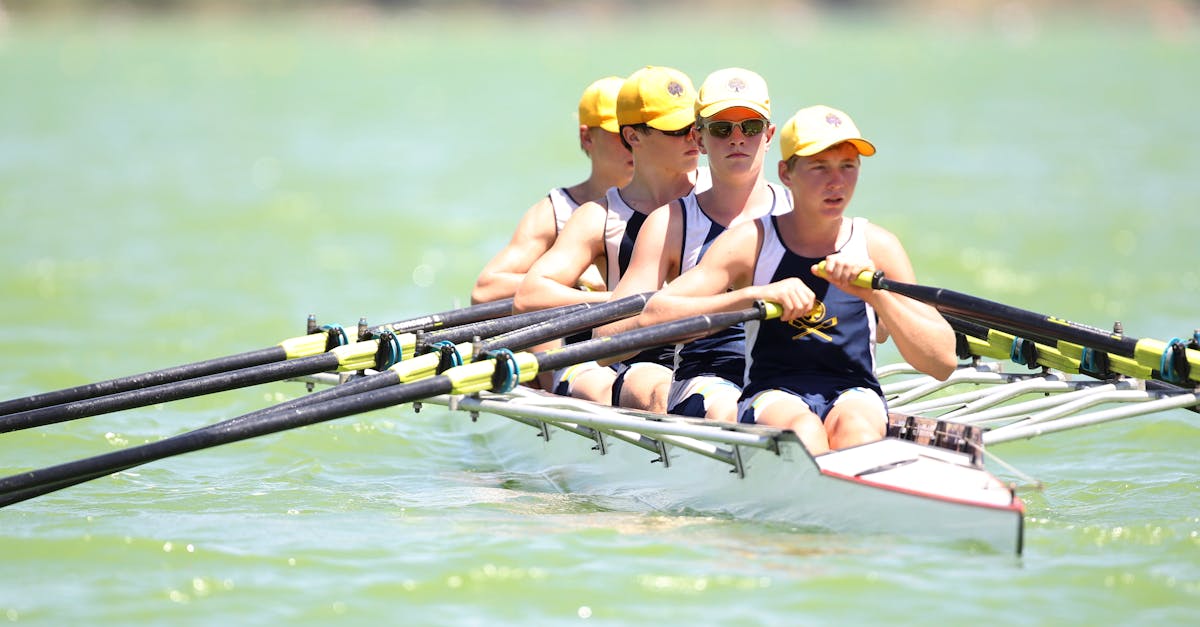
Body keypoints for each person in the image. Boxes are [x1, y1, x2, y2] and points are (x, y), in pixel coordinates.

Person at [639, 105, 957, 454]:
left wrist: (877, 297)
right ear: (786, 174)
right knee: (802, 433)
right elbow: (654, 314)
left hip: (855, 393)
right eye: (819, 168)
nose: (836, 181)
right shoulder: (752, 241)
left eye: (847, 167)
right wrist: (755, 296)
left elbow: (942, 362)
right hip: (773, 393)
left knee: (857, 429)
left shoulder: (877, 246)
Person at [595, 68, 790, 423]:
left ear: (769, 135)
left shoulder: (799, 211)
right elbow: (606, 341)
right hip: (709, 379)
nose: (737, 139)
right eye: (720, 129)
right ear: (699, 139)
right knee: (731, 409)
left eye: (750, 127)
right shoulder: (671, 223)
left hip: (790, 375)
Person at [514, 66, 706, 411]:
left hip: (716, 360)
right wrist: (621, 301)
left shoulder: (718, 195)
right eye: (678, 130)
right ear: (633, 136)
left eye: (698, 126)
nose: (694, 138)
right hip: (634, 366)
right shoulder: (599, 216)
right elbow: (529, 297)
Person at [470, 76, 632, 391]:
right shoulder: (554, 212)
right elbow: (485, 290)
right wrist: (579, 279)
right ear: (587, 138)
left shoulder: (672, 205)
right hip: (571, 349)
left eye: (639, 132)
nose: (633, 143)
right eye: (620, 135)